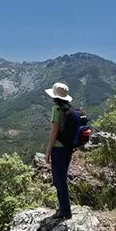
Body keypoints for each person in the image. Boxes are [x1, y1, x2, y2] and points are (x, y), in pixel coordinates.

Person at [45, 82, 73, 219]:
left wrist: (48, 151)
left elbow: (54, 132)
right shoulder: (69, 108)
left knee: (59, 180)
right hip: (68, 148)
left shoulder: (56, 109)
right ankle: (63, 207)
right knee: (62, 178)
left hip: (58, 148)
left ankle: (65, 211)